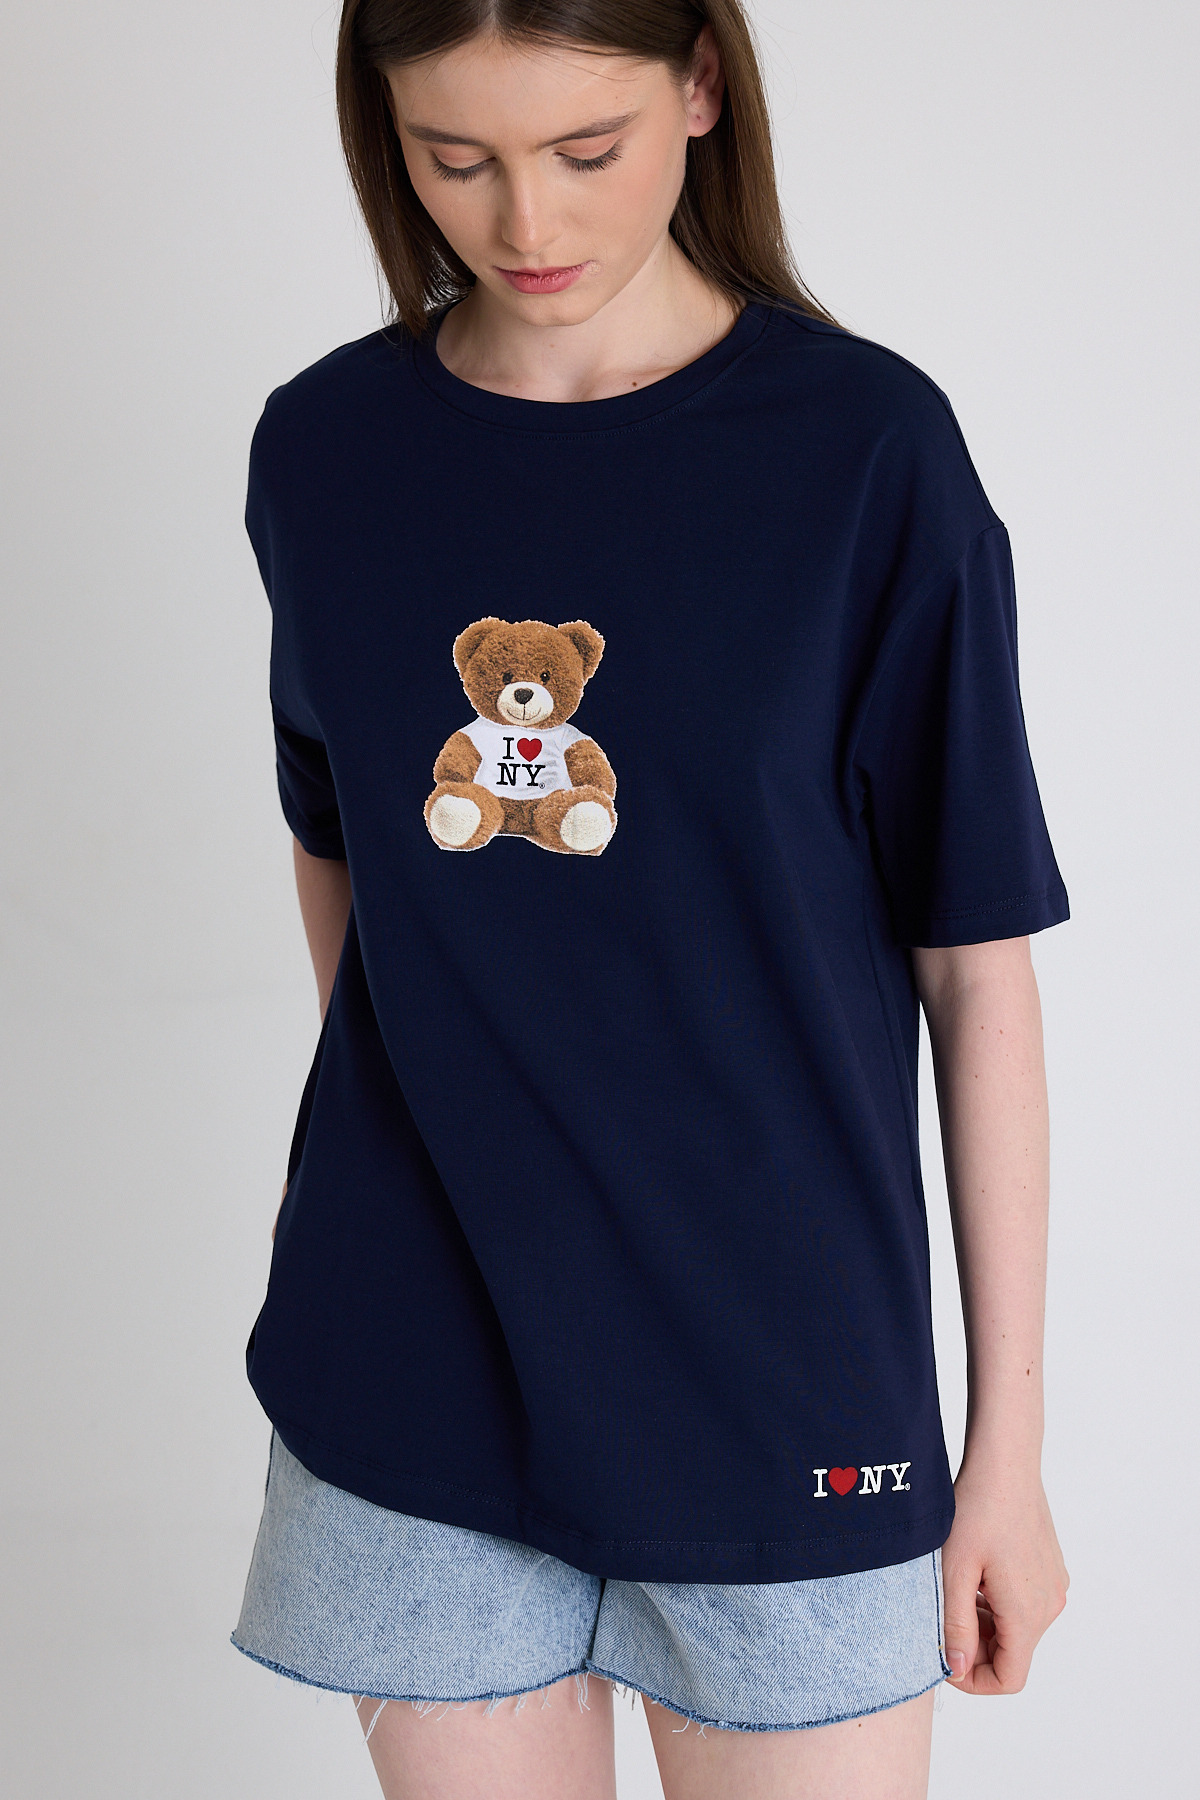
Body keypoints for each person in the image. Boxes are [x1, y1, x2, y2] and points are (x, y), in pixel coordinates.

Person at [230, 1, 1070, 1794]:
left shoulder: (865, 452)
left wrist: (1004, 1447)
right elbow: (343, 839)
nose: (524, 221)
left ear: (700, 85)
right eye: (455, 158)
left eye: (584, 150)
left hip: (787, 1378)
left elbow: (976, 972)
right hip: (413, 1370)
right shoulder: (324, 448)